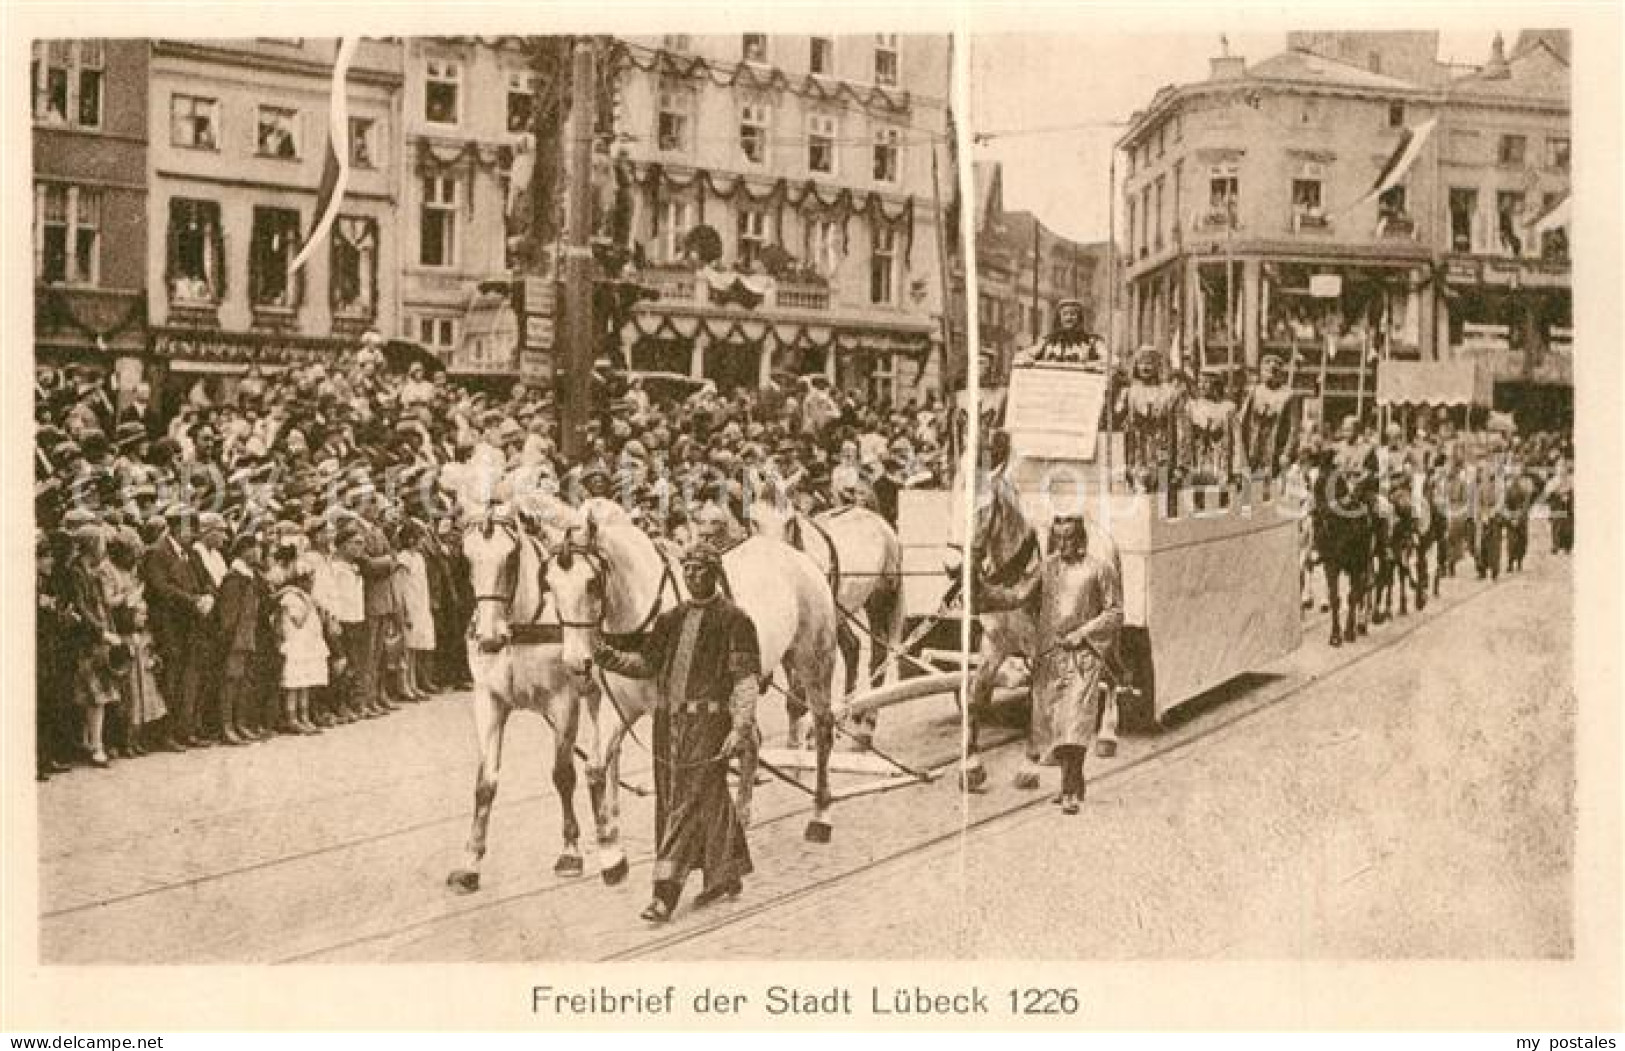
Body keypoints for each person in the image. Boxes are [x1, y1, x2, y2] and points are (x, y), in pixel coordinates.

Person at [592, 540, 760, 923]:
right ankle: (727, 869)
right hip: (667, 724)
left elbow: (745, 679)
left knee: (683, 802)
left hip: (709, 723)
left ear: (714, 572)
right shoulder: (670, 620)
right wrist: (607, 657)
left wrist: (742, 727)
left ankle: (663, 895)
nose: (691, 575)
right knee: (701, 796)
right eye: (686, 569)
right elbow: (646, 664)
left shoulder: (735, 620)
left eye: (699, 568)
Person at [972, 514, 1124, 814]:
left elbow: (1115, 613)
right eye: (1058, 539)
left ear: (1081, 539)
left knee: (1076, 720)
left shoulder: (1100, 569)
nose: (1063, 545)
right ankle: (1075, 781)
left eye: (1070, 539)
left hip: (1084, 655)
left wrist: (1082, 634)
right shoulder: (1047, 568)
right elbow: (1016, 595)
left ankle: (1069, 791)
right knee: (1055, 722)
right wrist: (981, 587)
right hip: (1050, 656)